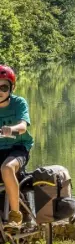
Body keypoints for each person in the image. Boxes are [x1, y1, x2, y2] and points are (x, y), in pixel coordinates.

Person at [0, 65, 33, 233]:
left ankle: (15, 215)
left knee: (7, 168)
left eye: (4, 87)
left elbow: (23, 125)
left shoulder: (19, 103)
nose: (0, 91)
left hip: (18, 148)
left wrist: (12, 129)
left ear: (11, 88)